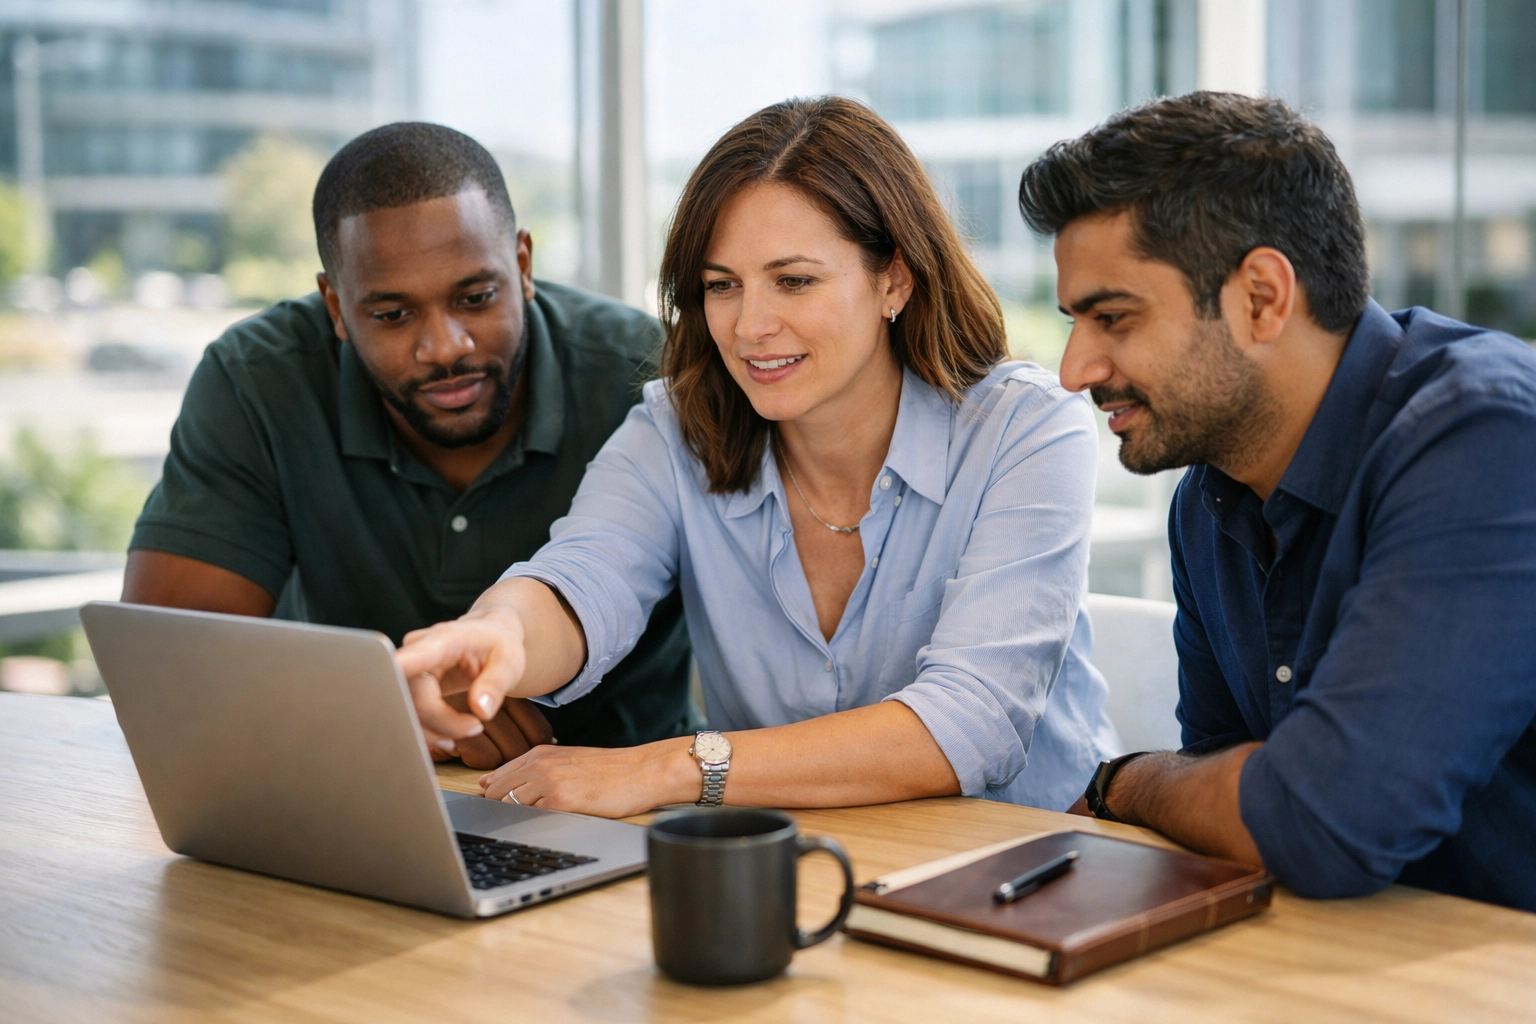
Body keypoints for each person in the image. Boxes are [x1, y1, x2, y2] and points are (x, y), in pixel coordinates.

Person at [396, 96, 1121, 818]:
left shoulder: (1026, 428)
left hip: (1033, 866)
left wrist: (669, 768)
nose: (750, 326)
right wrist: (498, 635)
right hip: (797, 870)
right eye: (721, 286)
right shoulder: (675, 429)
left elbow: (969, 725)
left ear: (894, 279)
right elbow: (582, 578)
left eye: (794, 281)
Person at [1019, 92, 1536, 912]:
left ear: (1262, 297)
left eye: (1112, 316)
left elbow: (1317, 822)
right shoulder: (1206, 504)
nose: (1074, 369)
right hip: (1336, 962)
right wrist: (1218, 794)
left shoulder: (1486, 435)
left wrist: (1125, 781)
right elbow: (1231, 809)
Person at [122, 122, 695, 767]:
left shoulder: (650, 374)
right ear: (336, 308)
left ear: (524, 266)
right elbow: (165, 669)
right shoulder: (259, 382)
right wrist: (380, 707)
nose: (445, 347)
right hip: (358, 786)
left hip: (641, 801)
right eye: (393, 315)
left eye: (476, 297)